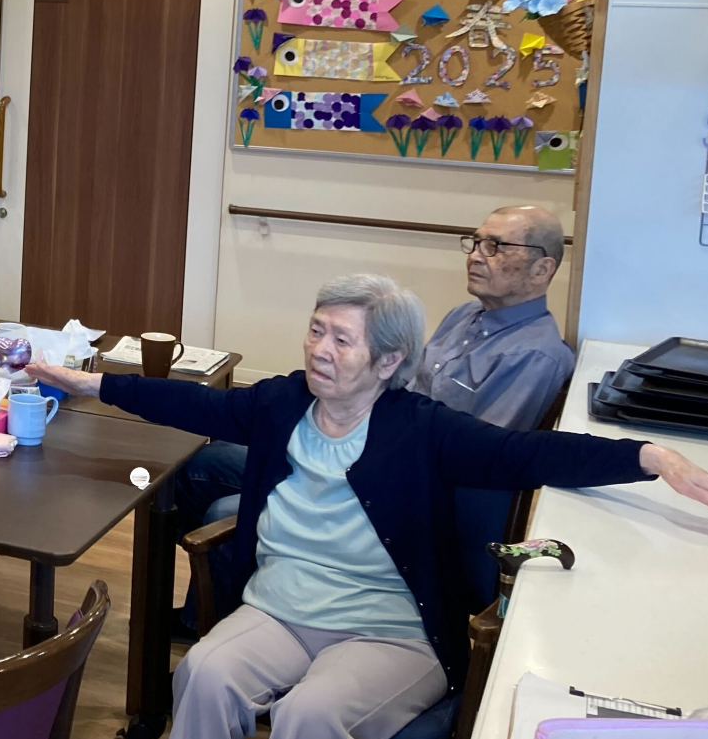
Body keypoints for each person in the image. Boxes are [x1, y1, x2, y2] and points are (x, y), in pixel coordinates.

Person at [31, 274, 708, 739]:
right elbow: (194, 402)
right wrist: (90, 382)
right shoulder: (282, 404)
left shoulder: (422, 428)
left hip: (390, 630)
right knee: (204, 676)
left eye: (342, 339)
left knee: (310, 716)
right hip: (281, 608)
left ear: (389, 360)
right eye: (316, 330)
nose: (320, 349)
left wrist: (648, 456)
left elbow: (529, 455)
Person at [171, 205, 578, 628]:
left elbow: (478, 459)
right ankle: (219, 607)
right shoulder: (464, 315)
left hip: (396, 485)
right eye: (475, 242)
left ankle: (229, 619)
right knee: (206, 461)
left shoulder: (536, 355)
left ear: (542, 268)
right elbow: (398, 388)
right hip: (360, 438)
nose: (476, 255)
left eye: (495, 246)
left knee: (225, 507)